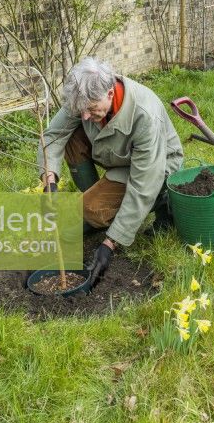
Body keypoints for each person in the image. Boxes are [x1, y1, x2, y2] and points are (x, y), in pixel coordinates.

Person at [37, 57, 183, 284]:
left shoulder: (144, 114)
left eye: (92, 109)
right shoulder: (84, 96)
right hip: (116, 154)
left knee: (88, 209)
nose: (85, 116)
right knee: (70, 137)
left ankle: (159, 201)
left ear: (110, 94)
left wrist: (110, 244)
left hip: (154, 167)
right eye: (81, 110)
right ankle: (101, 203)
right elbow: (54, 135)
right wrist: (50, 181)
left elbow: (144, 183)